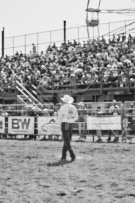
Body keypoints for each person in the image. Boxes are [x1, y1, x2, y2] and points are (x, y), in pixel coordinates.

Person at [58, 95, 78, 162]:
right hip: (71, 123)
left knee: (66, 140)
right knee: (67, 140)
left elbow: (59, 117)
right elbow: (76, 117)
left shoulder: (62, 108)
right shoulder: (73, 107)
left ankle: (72, 154)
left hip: (65, 123)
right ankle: (63, 156)